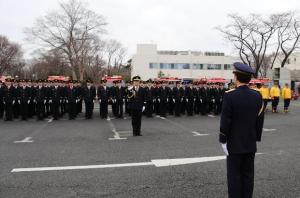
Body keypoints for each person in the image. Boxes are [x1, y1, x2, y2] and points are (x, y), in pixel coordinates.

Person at [219, 62, 264, 198]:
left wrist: (223, 139)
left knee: (234, 177)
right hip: (250, 143)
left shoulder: (230, 95)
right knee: (248, 176)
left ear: (236, 77)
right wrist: (256, 136)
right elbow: (259, 119)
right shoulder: (257, 95)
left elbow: (226, 120)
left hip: (234, 144)